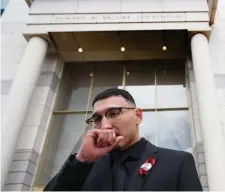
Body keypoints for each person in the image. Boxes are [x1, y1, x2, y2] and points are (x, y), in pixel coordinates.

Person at [43, 88, 203, 191]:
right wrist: (82, 159)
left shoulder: (177, 162)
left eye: (114, 113)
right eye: (97, 118)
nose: (105, 125)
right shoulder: (84, 168)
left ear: (138, 116)